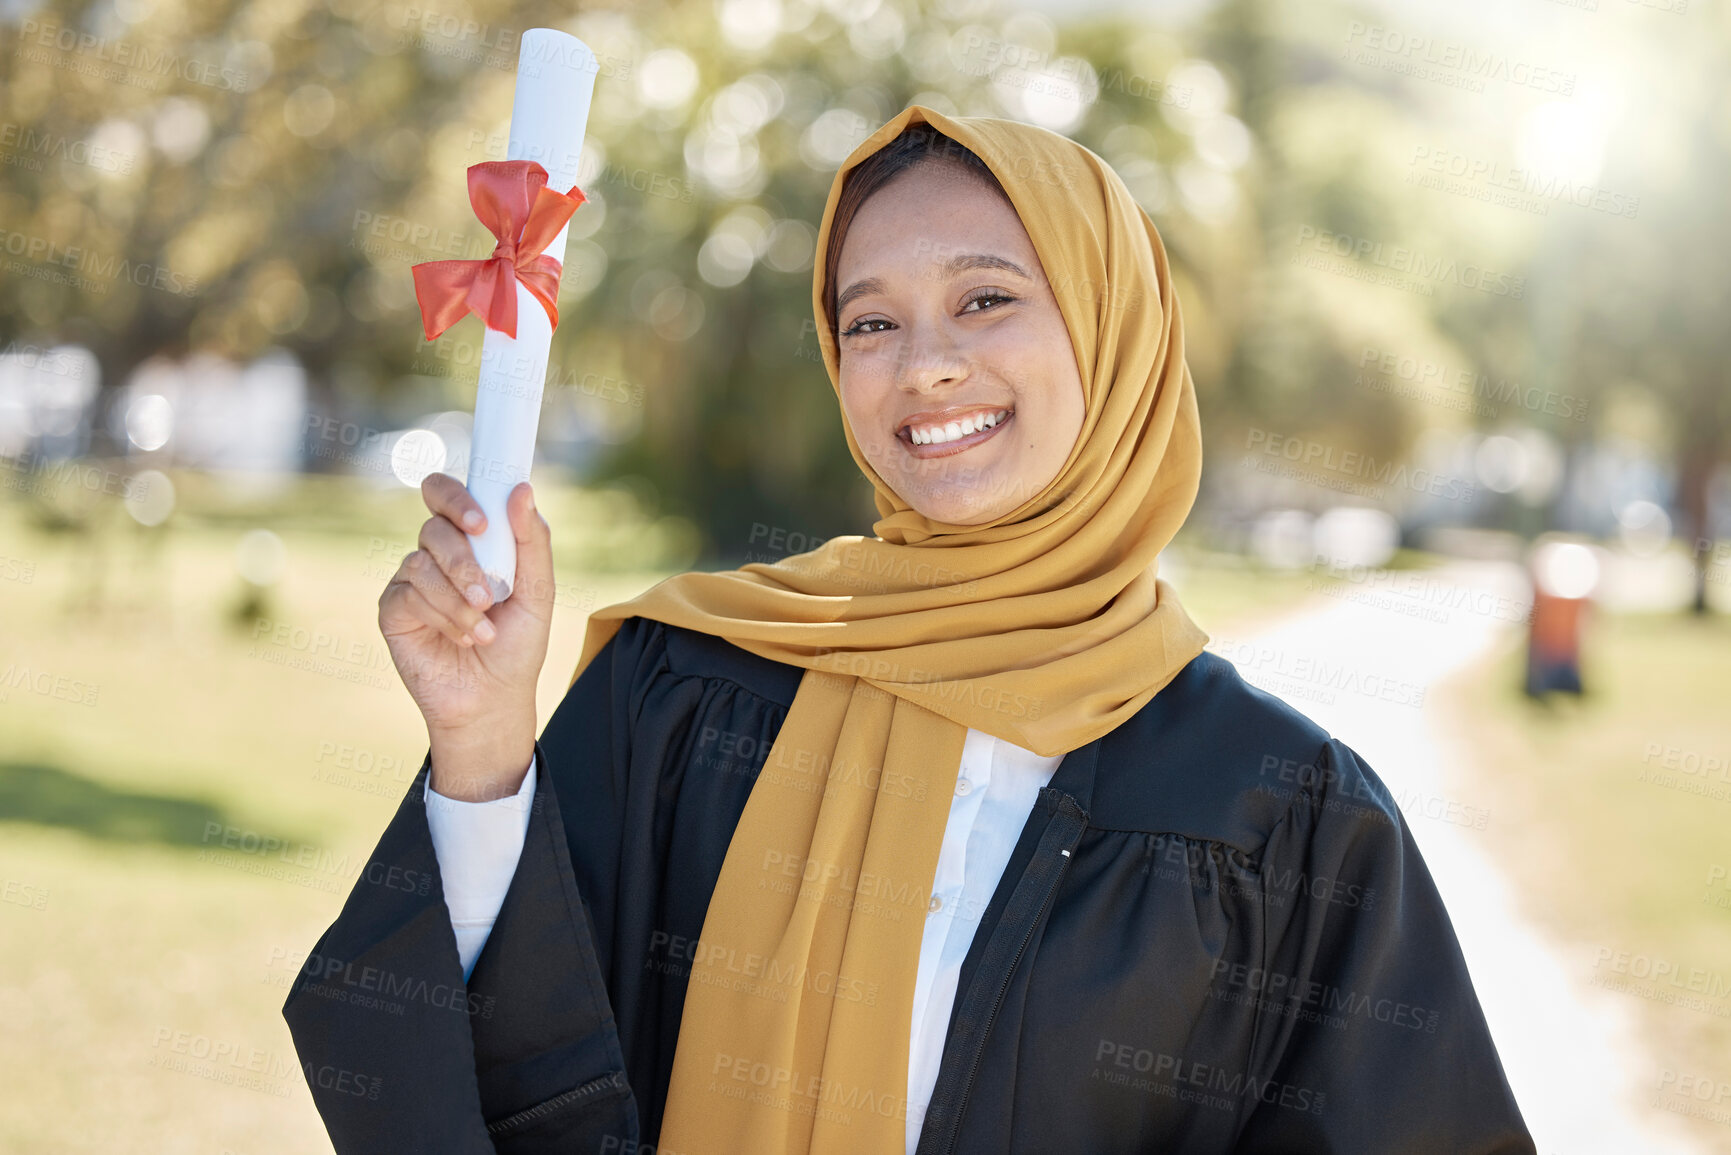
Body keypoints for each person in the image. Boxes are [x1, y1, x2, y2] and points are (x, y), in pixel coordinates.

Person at [283, 105, 1535, 1154]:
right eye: (870, 321)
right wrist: (485, 744)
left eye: (986, 298)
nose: (922, 365)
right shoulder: (693, 684)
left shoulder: (1283, 812)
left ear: (1115, 333)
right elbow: (500, 1065)